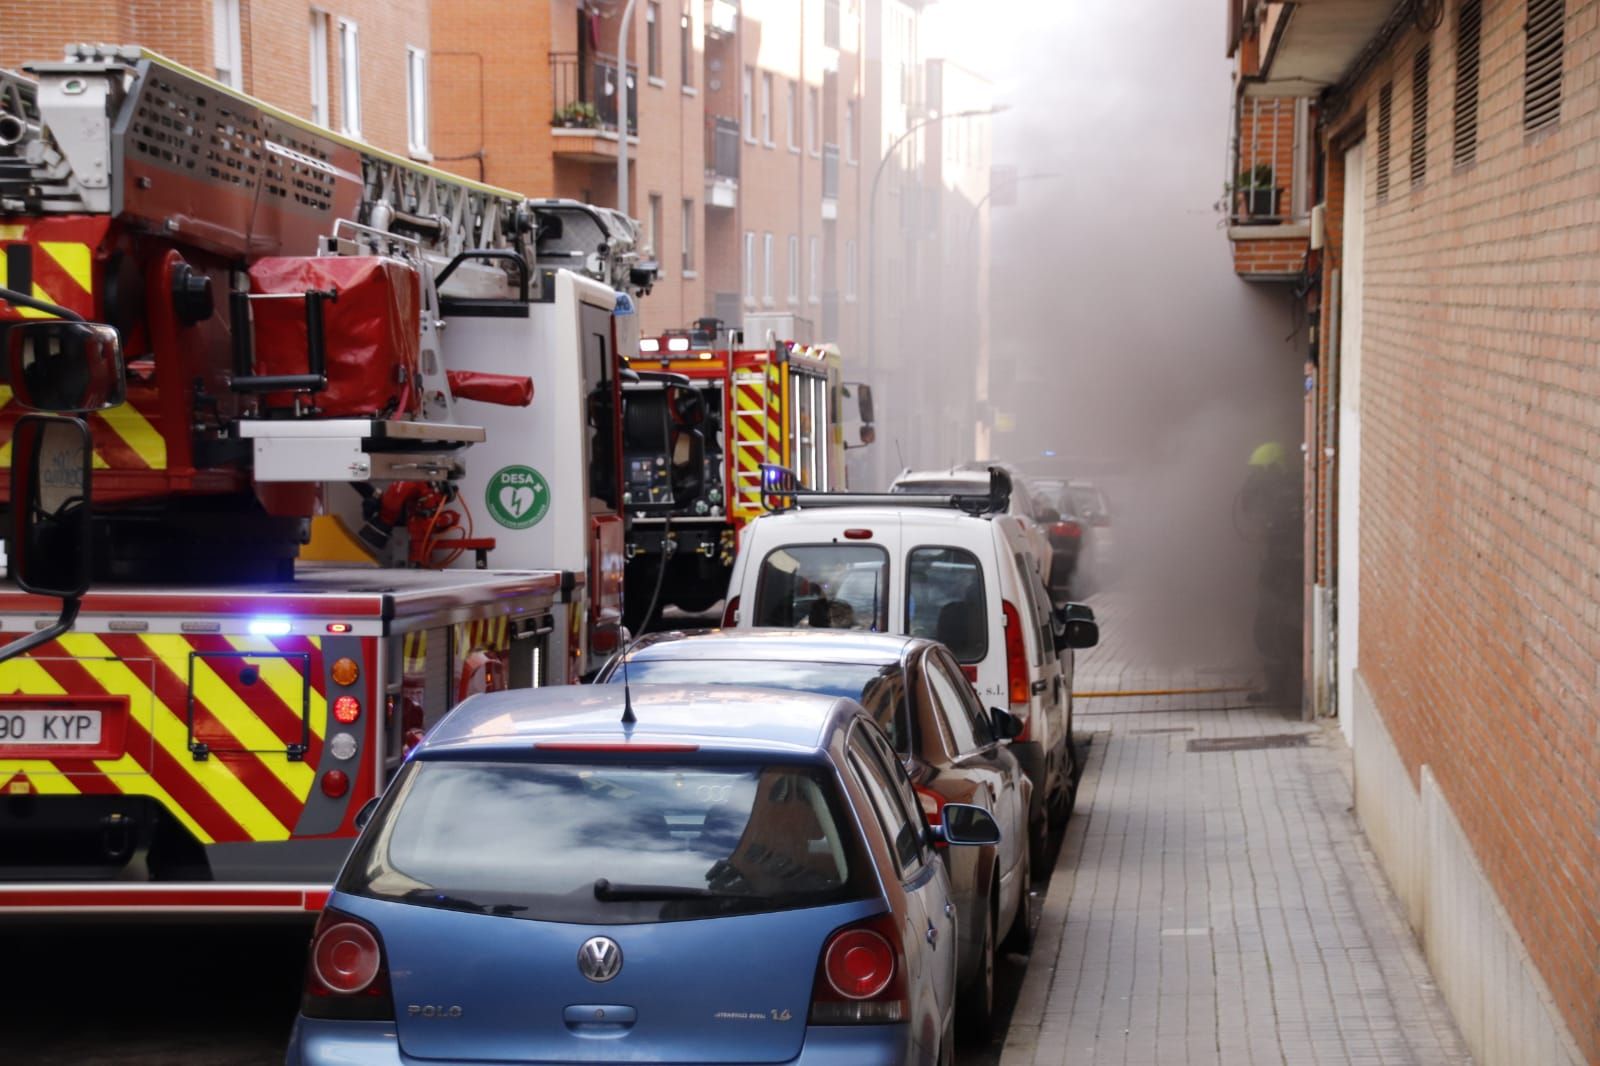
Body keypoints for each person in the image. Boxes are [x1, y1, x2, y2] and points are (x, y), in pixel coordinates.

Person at [1240, 442, 1303, 707]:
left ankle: (1285, 688)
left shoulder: (1289, 497)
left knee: (1275, 631)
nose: (1257, 479)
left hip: (1288, 575)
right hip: (1278, 572)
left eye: (1261, 472)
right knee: (1268, 631)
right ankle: (1278, 687)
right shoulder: (1278, 495)